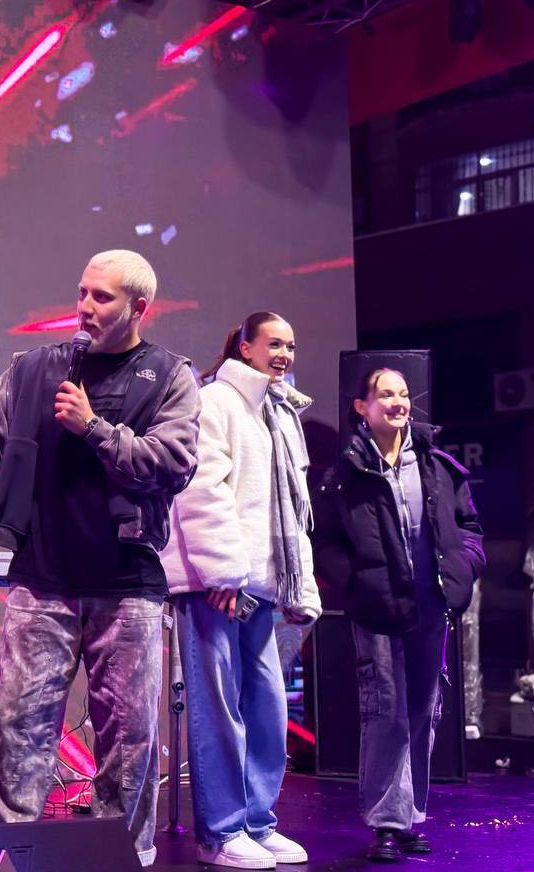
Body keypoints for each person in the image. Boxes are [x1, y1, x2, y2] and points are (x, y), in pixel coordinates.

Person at [0, 249, 201, 868]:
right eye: (82, 292)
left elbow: (173, 462)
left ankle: (120, 859)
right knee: (16, 733)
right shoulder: (36, 368)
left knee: (129, 744)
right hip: (43, 580)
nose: (85, 306)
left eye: (102, 297)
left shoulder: (169, 376)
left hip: (125, 585)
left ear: (139, 307)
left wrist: (95, 428)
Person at [164, 312, 321, 869]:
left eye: (291, 345)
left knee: (267, 706)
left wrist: (298, 586)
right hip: (217, 585)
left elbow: (293, 510)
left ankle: (257, 820)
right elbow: (201, 490)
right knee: (218, 711)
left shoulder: (280, 414)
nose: (284, 354)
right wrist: (223, 574)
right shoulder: (216, 402)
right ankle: (221, 832)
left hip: (259, 586)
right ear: (245, 348)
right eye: (274, 343)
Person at [313, 368, 485, 863]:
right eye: (386, 394)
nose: (398, 403)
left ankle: (409, 818)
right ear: (362, 407)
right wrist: (356, 584)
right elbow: (326, 543)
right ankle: (388, 822)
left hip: (431, 606)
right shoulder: (345, 475)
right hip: (377, 609)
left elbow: (469, 528)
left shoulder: (437, 465)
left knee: (423, 712)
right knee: (385, 712)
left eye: (404, 394)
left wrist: (463, 570)